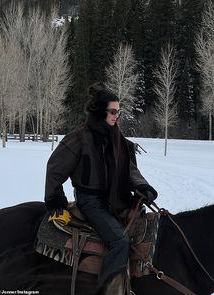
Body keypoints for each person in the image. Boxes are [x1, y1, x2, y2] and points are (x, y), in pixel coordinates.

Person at [44, 82, 158, 295]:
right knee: (119, 241)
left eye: (119, 112)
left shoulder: (117, 138)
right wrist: (55, 201)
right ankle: (110, 291)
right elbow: (55, 170)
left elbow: (129, 170)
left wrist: (143, 186)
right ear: (99, 112)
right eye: (113, 111)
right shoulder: (79, 139)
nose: (117, 116)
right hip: (91, 201)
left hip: (116, 199)